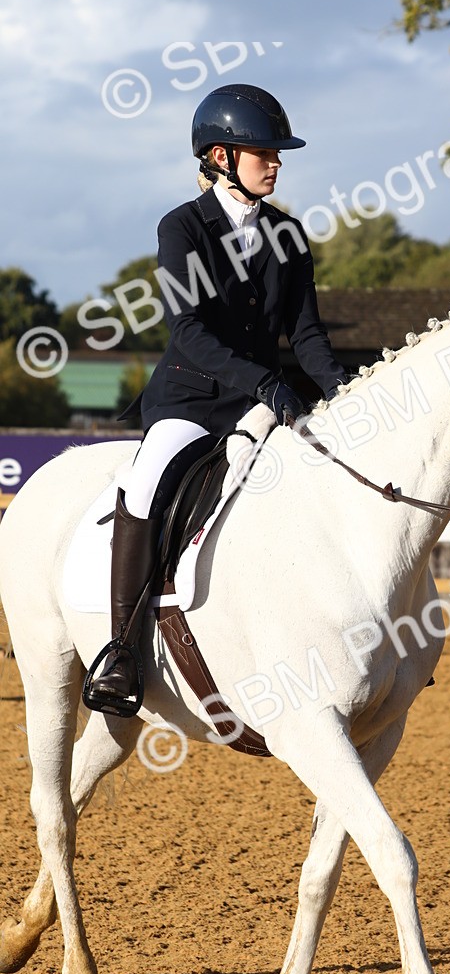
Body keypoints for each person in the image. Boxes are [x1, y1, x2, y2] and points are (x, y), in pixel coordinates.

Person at [83, 83, 348, 716]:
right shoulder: (182, 227)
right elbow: (189, 331)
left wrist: (341, 391)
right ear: (222, 157)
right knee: (145, 484)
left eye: (278, 154)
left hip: (262, 405)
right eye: (265, 153)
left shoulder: (288, 234)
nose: (277, 164)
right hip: (192, 400)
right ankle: (120, 650)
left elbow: (306, 333)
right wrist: (262, 381)